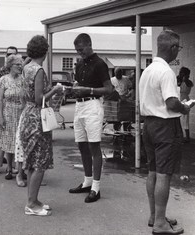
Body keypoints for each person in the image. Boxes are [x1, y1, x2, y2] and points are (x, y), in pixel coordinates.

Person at [139, 30, 193, 235]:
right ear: (171, 48)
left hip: (149, 125)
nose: (178, 52)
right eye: (178, 48)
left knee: (153, 171)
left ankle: (155, 215)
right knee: (164, 174)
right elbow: (171, 102)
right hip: (165, 126)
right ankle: (161, 224)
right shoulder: (167, 72)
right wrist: (185, 107)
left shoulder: (148, 70)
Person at [19, 35, 63, 216]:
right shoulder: (38, 70)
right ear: (44, 51)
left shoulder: (25, 68)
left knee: (31, 161)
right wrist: (56, 89)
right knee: (39, 162)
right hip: (38, 118)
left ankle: (33, 199)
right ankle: (31, 204)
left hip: (27, 116)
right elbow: (39, 99)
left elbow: (28, 96)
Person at [69, 33, 112, 203]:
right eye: (77, 51)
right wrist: (74, 89)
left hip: (93, 105)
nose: (80, 53)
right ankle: (87, 181)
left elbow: (108, 89)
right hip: (79, 106)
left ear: (89, 45)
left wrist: (89, 90)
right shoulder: (79, 64)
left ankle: (96, 187)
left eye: (81, 50)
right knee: (81, 145)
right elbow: (79, 85)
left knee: (94, 146)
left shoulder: (100, 64)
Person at [0, 54, 24, 181]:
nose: (20, 66)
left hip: (20, 113)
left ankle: (19, 170)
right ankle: (9, 168)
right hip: (7, 113)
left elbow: (25, 98)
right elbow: (0, 100)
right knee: (7, 141)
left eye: (20, 64)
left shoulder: (22, 79)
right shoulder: (3, 79)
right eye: (17, 64)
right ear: (10, 66)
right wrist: (0, 117)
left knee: (19, 142)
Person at [0, 46, 18, 175]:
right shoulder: (2, 72)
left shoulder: (21, 74)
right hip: (5, 110)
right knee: (2, 140)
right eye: (8, 54)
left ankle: (12, 167)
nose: (10, 55)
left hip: (17, 112)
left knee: (14, 140)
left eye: (13, 54)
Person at [110, 67, 134, 132]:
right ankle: (116, 130)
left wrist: (129, 94)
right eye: (117, 74)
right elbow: (110, 90)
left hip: (125, 99)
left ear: (121, 73)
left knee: (126, 116)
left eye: (119, 73)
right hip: (116, 101)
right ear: (115, 73)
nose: (118, 75)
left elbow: (131, 88)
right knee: (117, 117)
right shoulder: (112, 80)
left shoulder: (126, 79)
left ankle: (127, 130)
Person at [177, 67, 193, 143]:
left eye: (183, 73)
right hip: (180, 99)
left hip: (185, 100)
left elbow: (187, 84)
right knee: (180, 120)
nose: (181, 74)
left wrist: (183, 79)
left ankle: (186, 137)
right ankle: (182, 137)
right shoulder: (180, 81)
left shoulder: (188, 82)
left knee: (185, 120)